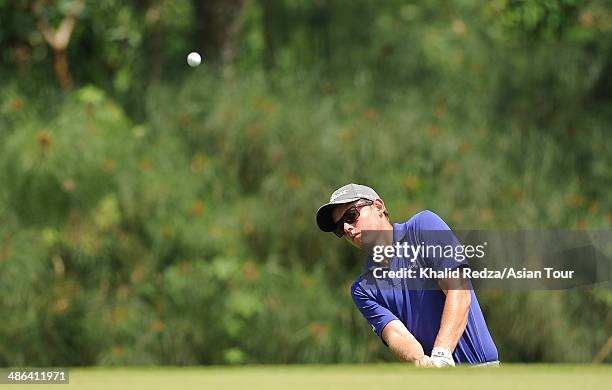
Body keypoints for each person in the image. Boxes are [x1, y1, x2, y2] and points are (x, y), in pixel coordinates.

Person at [316, 183, 499, 367]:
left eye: (351, 215)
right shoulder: (362, 289)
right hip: (435, 377)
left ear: (378, 206)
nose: (347, 227)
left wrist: (442, 353)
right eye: (339, 228)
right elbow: (396, 334)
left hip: (481, 371)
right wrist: (423, 362)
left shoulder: (423, 227)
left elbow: (459, 291)